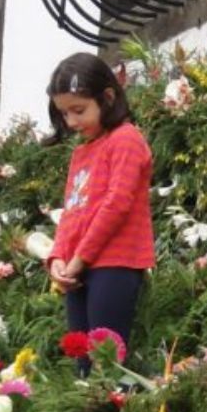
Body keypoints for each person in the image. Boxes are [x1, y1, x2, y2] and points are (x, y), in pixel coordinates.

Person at [45, 52, 156, 371]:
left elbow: (116, 205)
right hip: (80, 267)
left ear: (107, 97)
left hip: (115, 263)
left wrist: (79, 259)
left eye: (78, 110)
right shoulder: (82, 152)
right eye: (64, 113)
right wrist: (59, 259)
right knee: (84, 364)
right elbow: (71, 213)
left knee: (107, 362)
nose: (71, 122)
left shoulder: (126, 139)